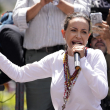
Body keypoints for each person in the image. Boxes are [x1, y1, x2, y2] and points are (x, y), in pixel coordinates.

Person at [0, 13, 108, 110]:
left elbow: (101, 93)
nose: (78, 36)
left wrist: (83, 61)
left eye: (83, 32)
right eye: (73, 30)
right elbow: (19, 74)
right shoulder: (56, 59)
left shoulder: (95, 56)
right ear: (63, 34)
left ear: (88, 37)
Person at [13, 0, 91, 109]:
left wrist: (58, 2)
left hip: (69, 56)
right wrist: (41, 3)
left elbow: (85, 14)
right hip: (37, 56)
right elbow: (17, 19)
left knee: (72, 106)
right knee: (38, 107)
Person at [88, 20, 110, 110]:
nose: (99, 39)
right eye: (95, 37)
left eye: (103, 37)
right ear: (90, 44)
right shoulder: (85, 59)